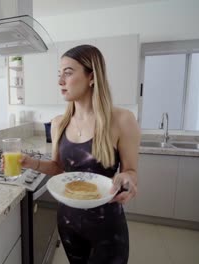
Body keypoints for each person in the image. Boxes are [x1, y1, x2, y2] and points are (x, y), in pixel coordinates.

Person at [8, 44, 140, 263]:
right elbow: (58, 168)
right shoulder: (59, 123)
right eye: (59, 74)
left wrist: (127, 178)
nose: (60, 81)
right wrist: (30, 162)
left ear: (92, 77)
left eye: (68, 73)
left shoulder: (122, 120)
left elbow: (131, 171)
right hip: (68, 222)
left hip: (107, 226)